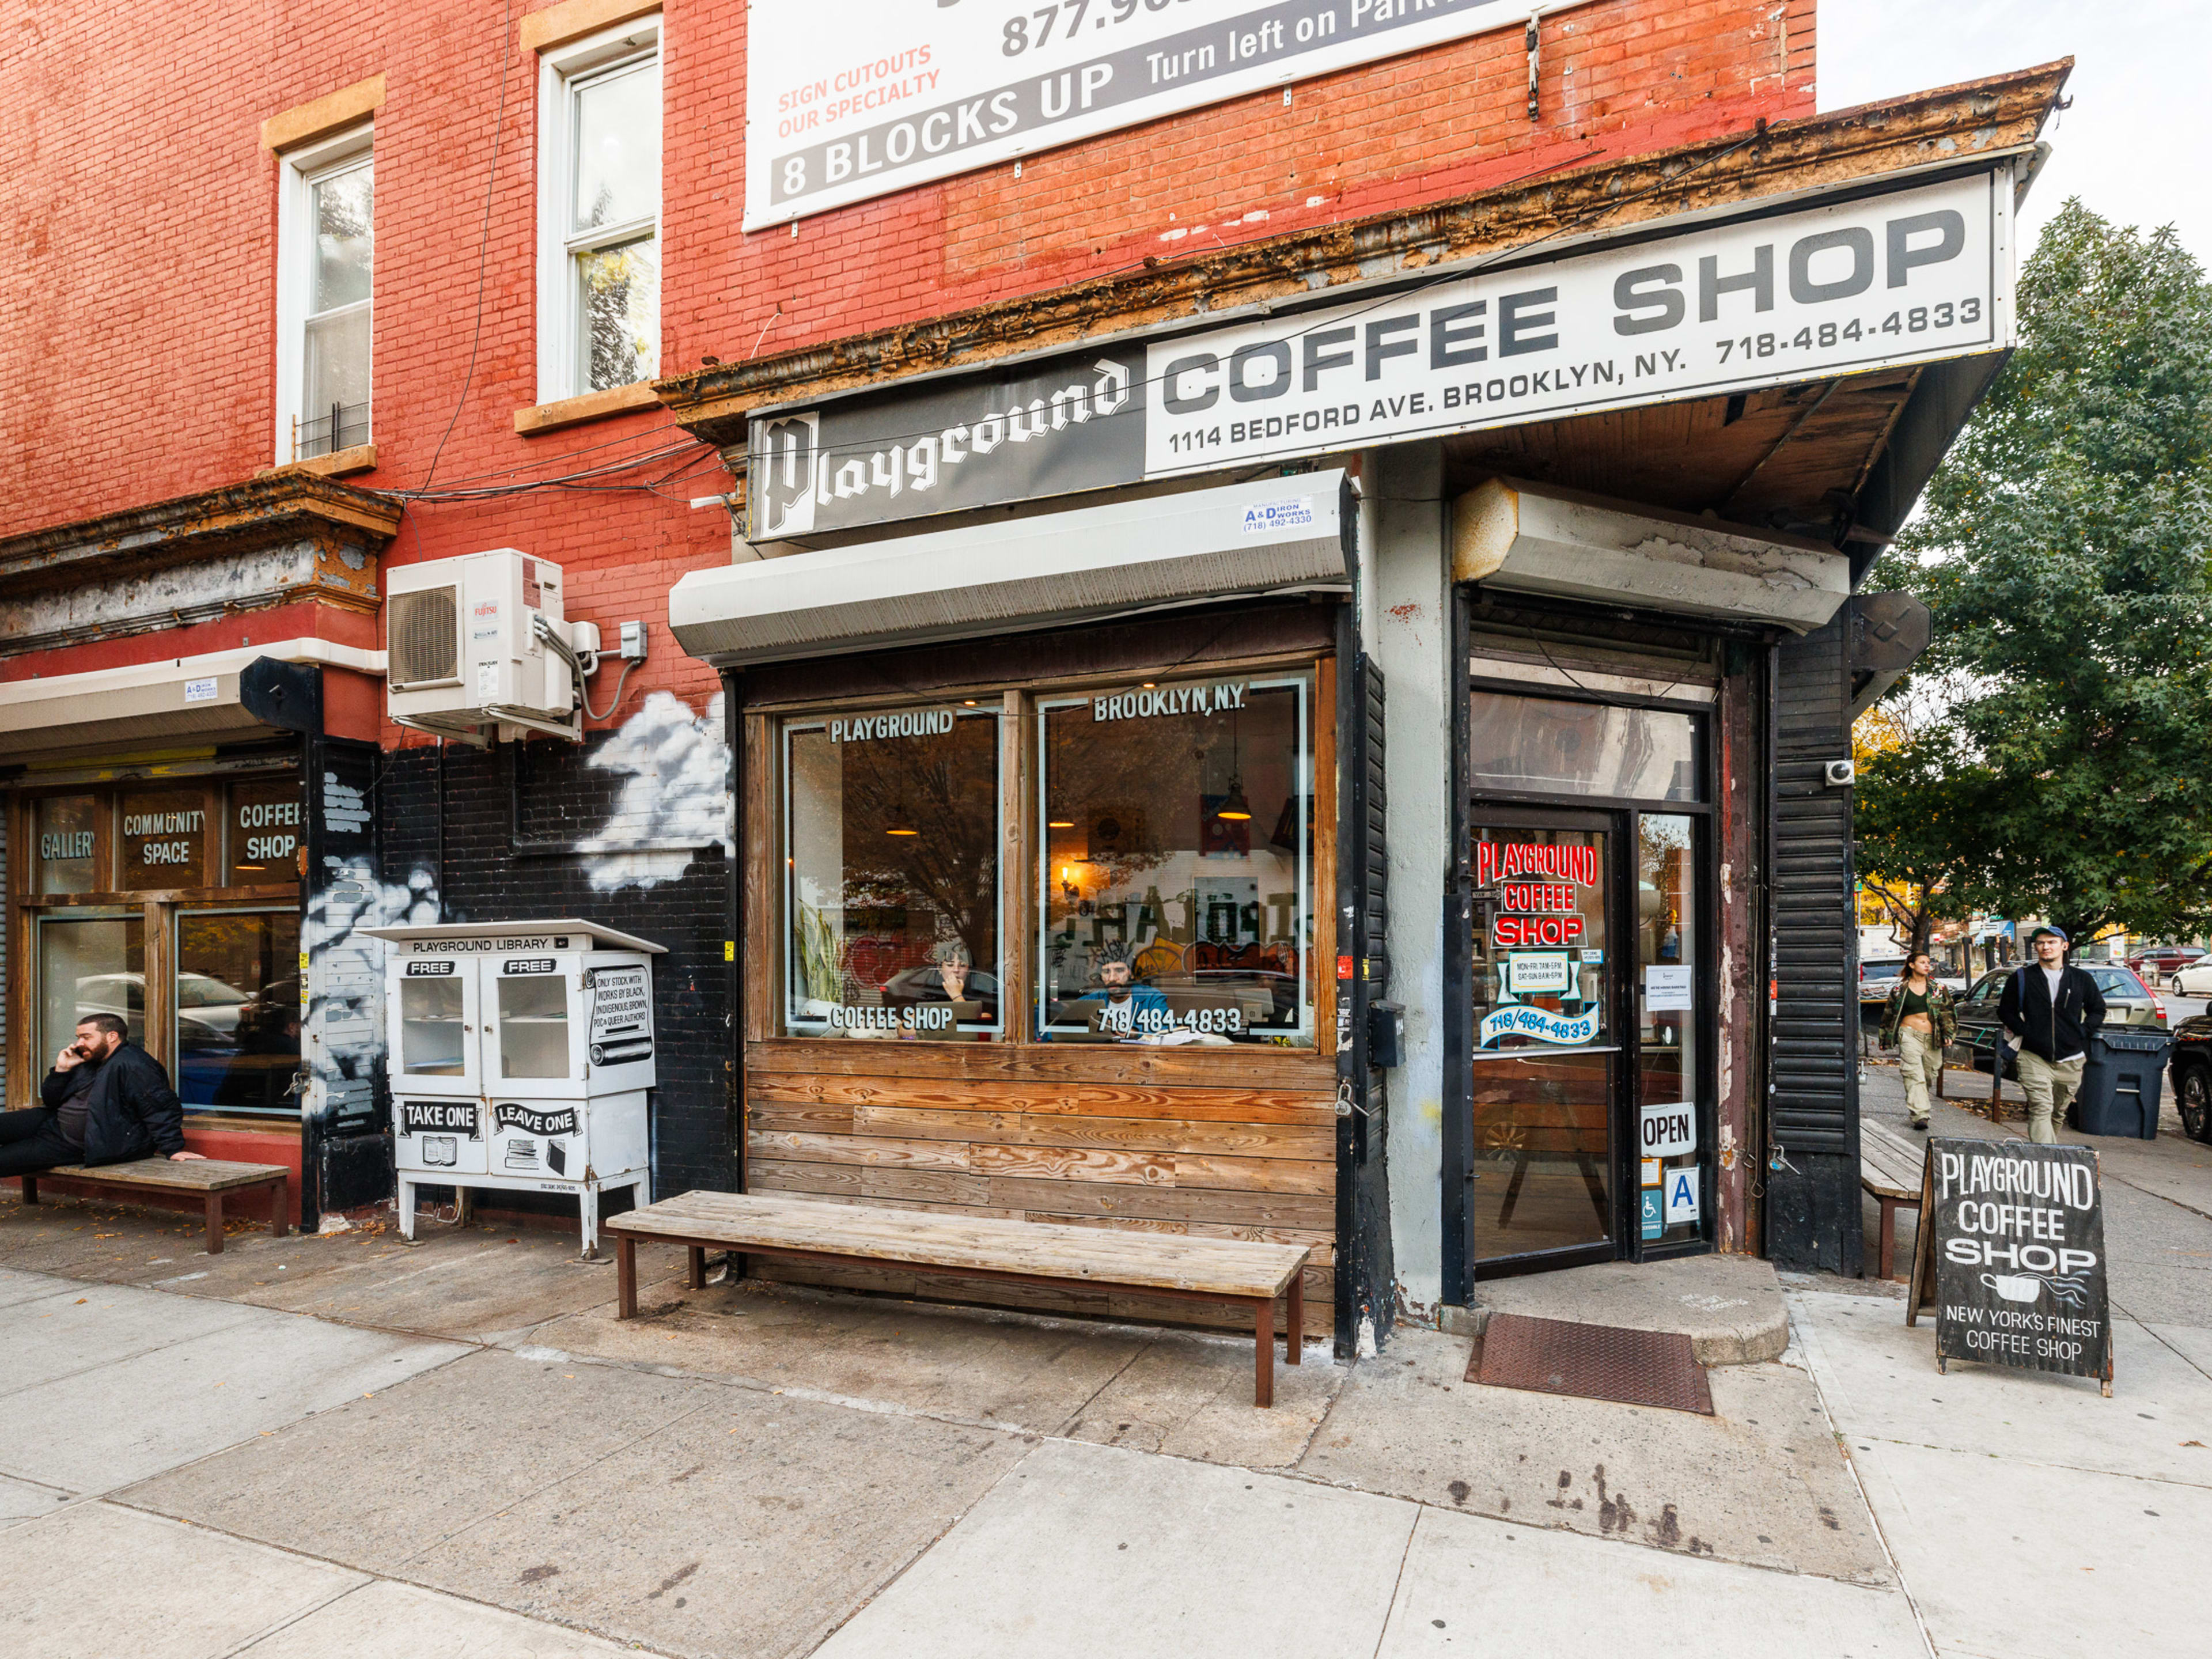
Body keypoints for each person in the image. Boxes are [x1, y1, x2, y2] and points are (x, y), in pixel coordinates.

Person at [0, 1013, 202, 1178]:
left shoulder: (135, 1065)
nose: (79, 1043)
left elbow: (159, 1108)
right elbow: (51, 1101)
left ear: (111, 1036)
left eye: (86, 1037)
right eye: (79, 1037)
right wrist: (61, 1070)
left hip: (79, 1142)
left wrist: (173, 1148)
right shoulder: (87, 1060)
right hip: (51, 1121)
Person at [1995, 926, 2107, 1144]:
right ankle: (2045, 1158)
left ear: (2064, 946)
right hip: (2034, 1056)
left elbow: (2098, 1010)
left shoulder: (2081, 979)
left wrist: (2082, 1032)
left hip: (2071, 1059)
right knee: (2041, 1107)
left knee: (2057, 1112)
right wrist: (2026, 1032)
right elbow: (2005, 1011)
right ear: (2036, 947)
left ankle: (2047, 1156)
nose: (2046, 947)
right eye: (2041, 943)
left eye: (2052, 942)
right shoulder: (2022, 977)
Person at [1878, 950, 1956, 1131]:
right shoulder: (1900, 990)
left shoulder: (1938, 988)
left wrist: (1948, 1034)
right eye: (1922, 962)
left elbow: (1948, 1013)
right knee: (1913, 1074)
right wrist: (1884, 1038)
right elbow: (1889, 1015)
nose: (1927, 965)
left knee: (1928, 1075)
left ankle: (1919, 1101)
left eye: (1928, 962)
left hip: (1932, 1037)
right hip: (1909, 1034)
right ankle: (1920, 1115)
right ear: (1912, 965)